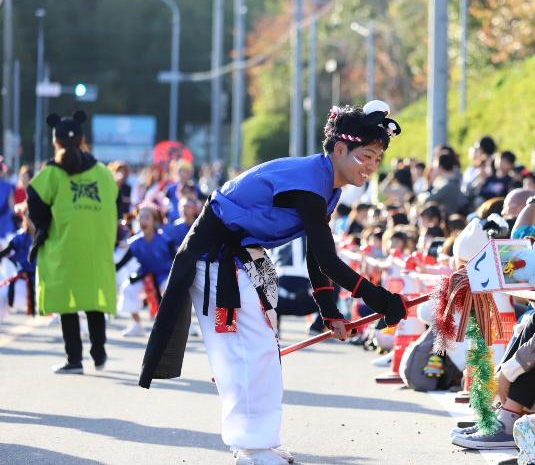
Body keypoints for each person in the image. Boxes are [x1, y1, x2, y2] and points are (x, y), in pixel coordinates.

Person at [139, 102, 408, 465]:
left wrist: (330, 311)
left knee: (262, 350)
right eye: (367, 156)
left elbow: (317, 255)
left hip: (242, 257)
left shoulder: (326, 184)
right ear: (340, 149)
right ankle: (250, 447)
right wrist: (380, 298)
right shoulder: (311, 183)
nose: (372, 167)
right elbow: (328, 259)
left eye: (377, 159)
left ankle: (260, 442)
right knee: (246, 354)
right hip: (217, 257)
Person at [26, 111, 118, 374]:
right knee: (93, 299)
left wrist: (45, 226)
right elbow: (115, 204)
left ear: (55, 142)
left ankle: (74, 359)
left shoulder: (52, 172)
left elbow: (33, 196)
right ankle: (98, 351)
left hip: (63, 247)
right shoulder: (102, 172)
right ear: (82, 139)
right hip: (95, 247)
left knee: (68, 304)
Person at [115, 204, 175, 336]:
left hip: (165, 275)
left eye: (147, 217)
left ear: (154, 220)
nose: (143, 220)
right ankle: (137, 325)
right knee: (127, 288)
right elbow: (121, 263)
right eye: (140, 217)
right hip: (145, 275)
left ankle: (178, 325)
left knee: (169, 289)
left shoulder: (165, 240)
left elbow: (177, 260)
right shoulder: (135, 242)